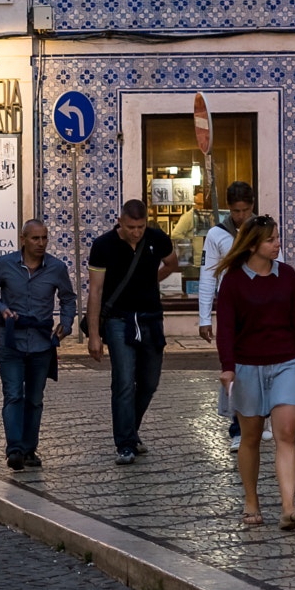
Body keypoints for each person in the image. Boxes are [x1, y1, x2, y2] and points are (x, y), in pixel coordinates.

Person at [214, 216, 295, 529]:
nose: (278, 243)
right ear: (253, 244)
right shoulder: (232, 279)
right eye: (272, 239)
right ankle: (251, 500)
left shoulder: (287, 275)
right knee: (251, 437)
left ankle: (289, 508)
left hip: (287, 364)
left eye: (278, 237)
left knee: (286, 435)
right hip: (247, 367)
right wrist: (228, 367)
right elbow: (226, 328)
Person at [86, 199, 180, 465]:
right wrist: (94, 335)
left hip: (151, 316)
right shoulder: (103, 245)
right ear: (120, 220)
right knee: (124, 381)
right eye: (130, 227)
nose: (136, 232)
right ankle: (125, 443)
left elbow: (172, 263)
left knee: (149, 382)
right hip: (118, 319)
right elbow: (95, 291)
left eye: (140, 227)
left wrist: (153, 280)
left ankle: (132, 429)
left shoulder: (157, 238)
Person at [0, 220, 76, 470]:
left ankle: (28, 449)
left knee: (34, 399)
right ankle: (14, 449)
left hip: (42, 344)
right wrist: (1, 309)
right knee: (13, 395)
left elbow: (68, 299)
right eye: (35, 239)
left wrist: (65, 325)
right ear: (22, 239)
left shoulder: (57, 268)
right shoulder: (5, 264)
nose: (41, 243)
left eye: (45, 238)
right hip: (11, 342)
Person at [198, 182, 265, 442]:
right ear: (229, 209)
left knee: (264, 367)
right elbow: (207, 276)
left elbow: (278, 264)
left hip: (262, 309)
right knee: (237, 369)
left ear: (253, 205)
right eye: (236, 211)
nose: (241, 217)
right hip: (233, 312)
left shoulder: (264, 230)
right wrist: (205, 318)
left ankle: (261, 419)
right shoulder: (216, 235)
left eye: (246, 210)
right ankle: (238, 428)